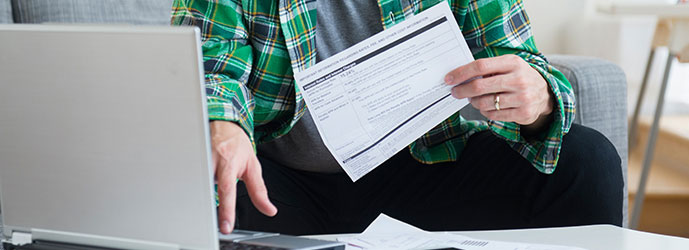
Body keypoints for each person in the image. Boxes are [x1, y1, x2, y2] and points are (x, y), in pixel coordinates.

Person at [171, 0, 623, 235]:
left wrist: (537, 98)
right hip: (280, 184)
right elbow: (209, 65)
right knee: (188, 181)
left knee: (587, 160)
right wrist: (223, 125)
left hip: (422, 169)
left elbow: (521, 61)